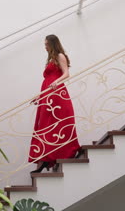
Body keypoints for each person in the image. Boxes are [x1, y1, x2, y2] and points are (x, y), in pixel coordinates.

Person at [28, 34, 81, 173]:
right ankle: (45, 159)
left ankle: (63, 153)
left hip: (57, 94)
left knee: (59, 123)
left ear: (53, 44)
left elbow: (66, 74)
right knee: (45, 125)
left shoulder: (60, 56)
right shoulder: (50, 59)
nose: (45, 47)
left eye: (46, 44)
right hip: (47, 94)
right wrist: (39, 97)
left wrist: (55, 82)